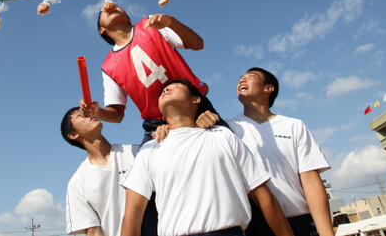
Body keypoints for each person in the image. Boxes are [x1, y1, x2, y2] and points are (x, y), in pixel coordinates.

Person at [120, 79, 293, 236]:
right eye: (163, 91)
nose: (166, 90)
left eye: (175, 87)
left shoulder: (223, 136)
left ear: (196, 100)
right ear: (161, 113)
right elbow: (133, 213)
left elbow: (263, 195)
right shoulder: (150, 149)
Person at [199, 67, 333, 236]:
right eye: (240, 79)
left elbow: (310, 180)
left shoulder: (293, 125)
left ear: (268, 89)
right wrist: (202, 122)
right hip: (256, 226)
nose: (242, 80)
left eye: (250, 77)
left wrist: (326, 232)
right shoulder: (228, 129)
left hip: (299, 221)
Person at [83, 5, 226, 144]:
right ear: (102, 30)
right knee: (146, 165)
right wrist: (97, 112)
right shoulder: (108, 66)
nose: (110, 7)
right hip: (157, 124)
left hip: (194, 107)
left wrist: (171, 22)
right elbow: (117, 113)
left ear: (127, 17)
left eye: (118, 7)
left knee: (226, 145)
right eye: (102, 11)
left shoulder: (151, 24)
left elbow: (198, 44)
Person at [62, 102, 139, 236]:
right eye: (81, 115)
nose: (89, 115)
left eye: (89, 111)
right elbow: (93, 232)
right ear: (73, 134)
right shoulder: (77, 184)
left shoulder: (137, 153)